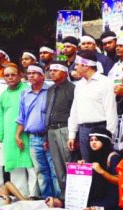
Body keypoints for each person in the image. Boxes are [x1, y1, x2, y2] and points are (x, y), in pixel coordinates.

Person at [16, 64, 58, 198]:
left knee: (54, 170)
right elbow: (22, 117)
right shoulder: (25, 93)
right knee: (40, 171)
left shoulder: (51, 90)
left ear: (42, 76)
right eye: (29, 73)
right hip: (33, 138)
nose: (31, 76)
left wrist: (47, 136)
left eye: (35, 73)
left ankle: (58, 199)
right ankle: (46, 198)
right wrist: (17, 135)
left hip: (50, 136)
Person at [67, 51, 117, 162]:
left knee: (101, 166)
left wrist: (110, 138)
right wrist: (72, 134)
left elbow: (111, 111)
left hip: (101, 129)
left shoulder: (106, 83)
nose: (74, 68)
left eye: (77, 65)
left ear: (85, 66)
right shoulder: (79, 85)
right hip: (83, 130)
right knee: (86, 167)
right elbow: (74, 111)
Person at [0, 64, 36, 197]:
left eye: (13, 74)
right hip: (10, 135)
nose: (10, 77)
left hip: (27, 133)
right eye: (7, 75)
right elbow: (0, 118)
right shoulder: (3, 95)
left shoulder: (28, 90)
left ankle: (34, 196)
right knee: (15, 167)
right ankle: (21, 196)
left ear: (20, 75)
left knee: (32, 166)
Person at [45, 62, 75, 195]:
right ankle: (64, 196)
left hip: (65, 129)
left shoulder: (72, 89)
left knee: (68, 163)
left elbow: (75, 113)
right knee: (57, 166)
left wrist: (74, 136)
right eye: (51, 70)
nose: (52, 73)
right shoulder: (50, 89)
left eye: (56, 70)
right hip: (51, 130)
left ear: (65, 72)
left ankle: (74, 195)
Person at [82, 126, 122, 210]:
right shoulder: (94, 155)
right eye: (91, 140)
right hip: (98, 197)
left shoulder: (113, 158)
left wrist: (102, 171)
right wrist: (83, 168)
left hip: (112, 199)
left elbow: (119, 181)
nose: (93, 143)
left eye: (97, 140)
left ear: (104, 141)